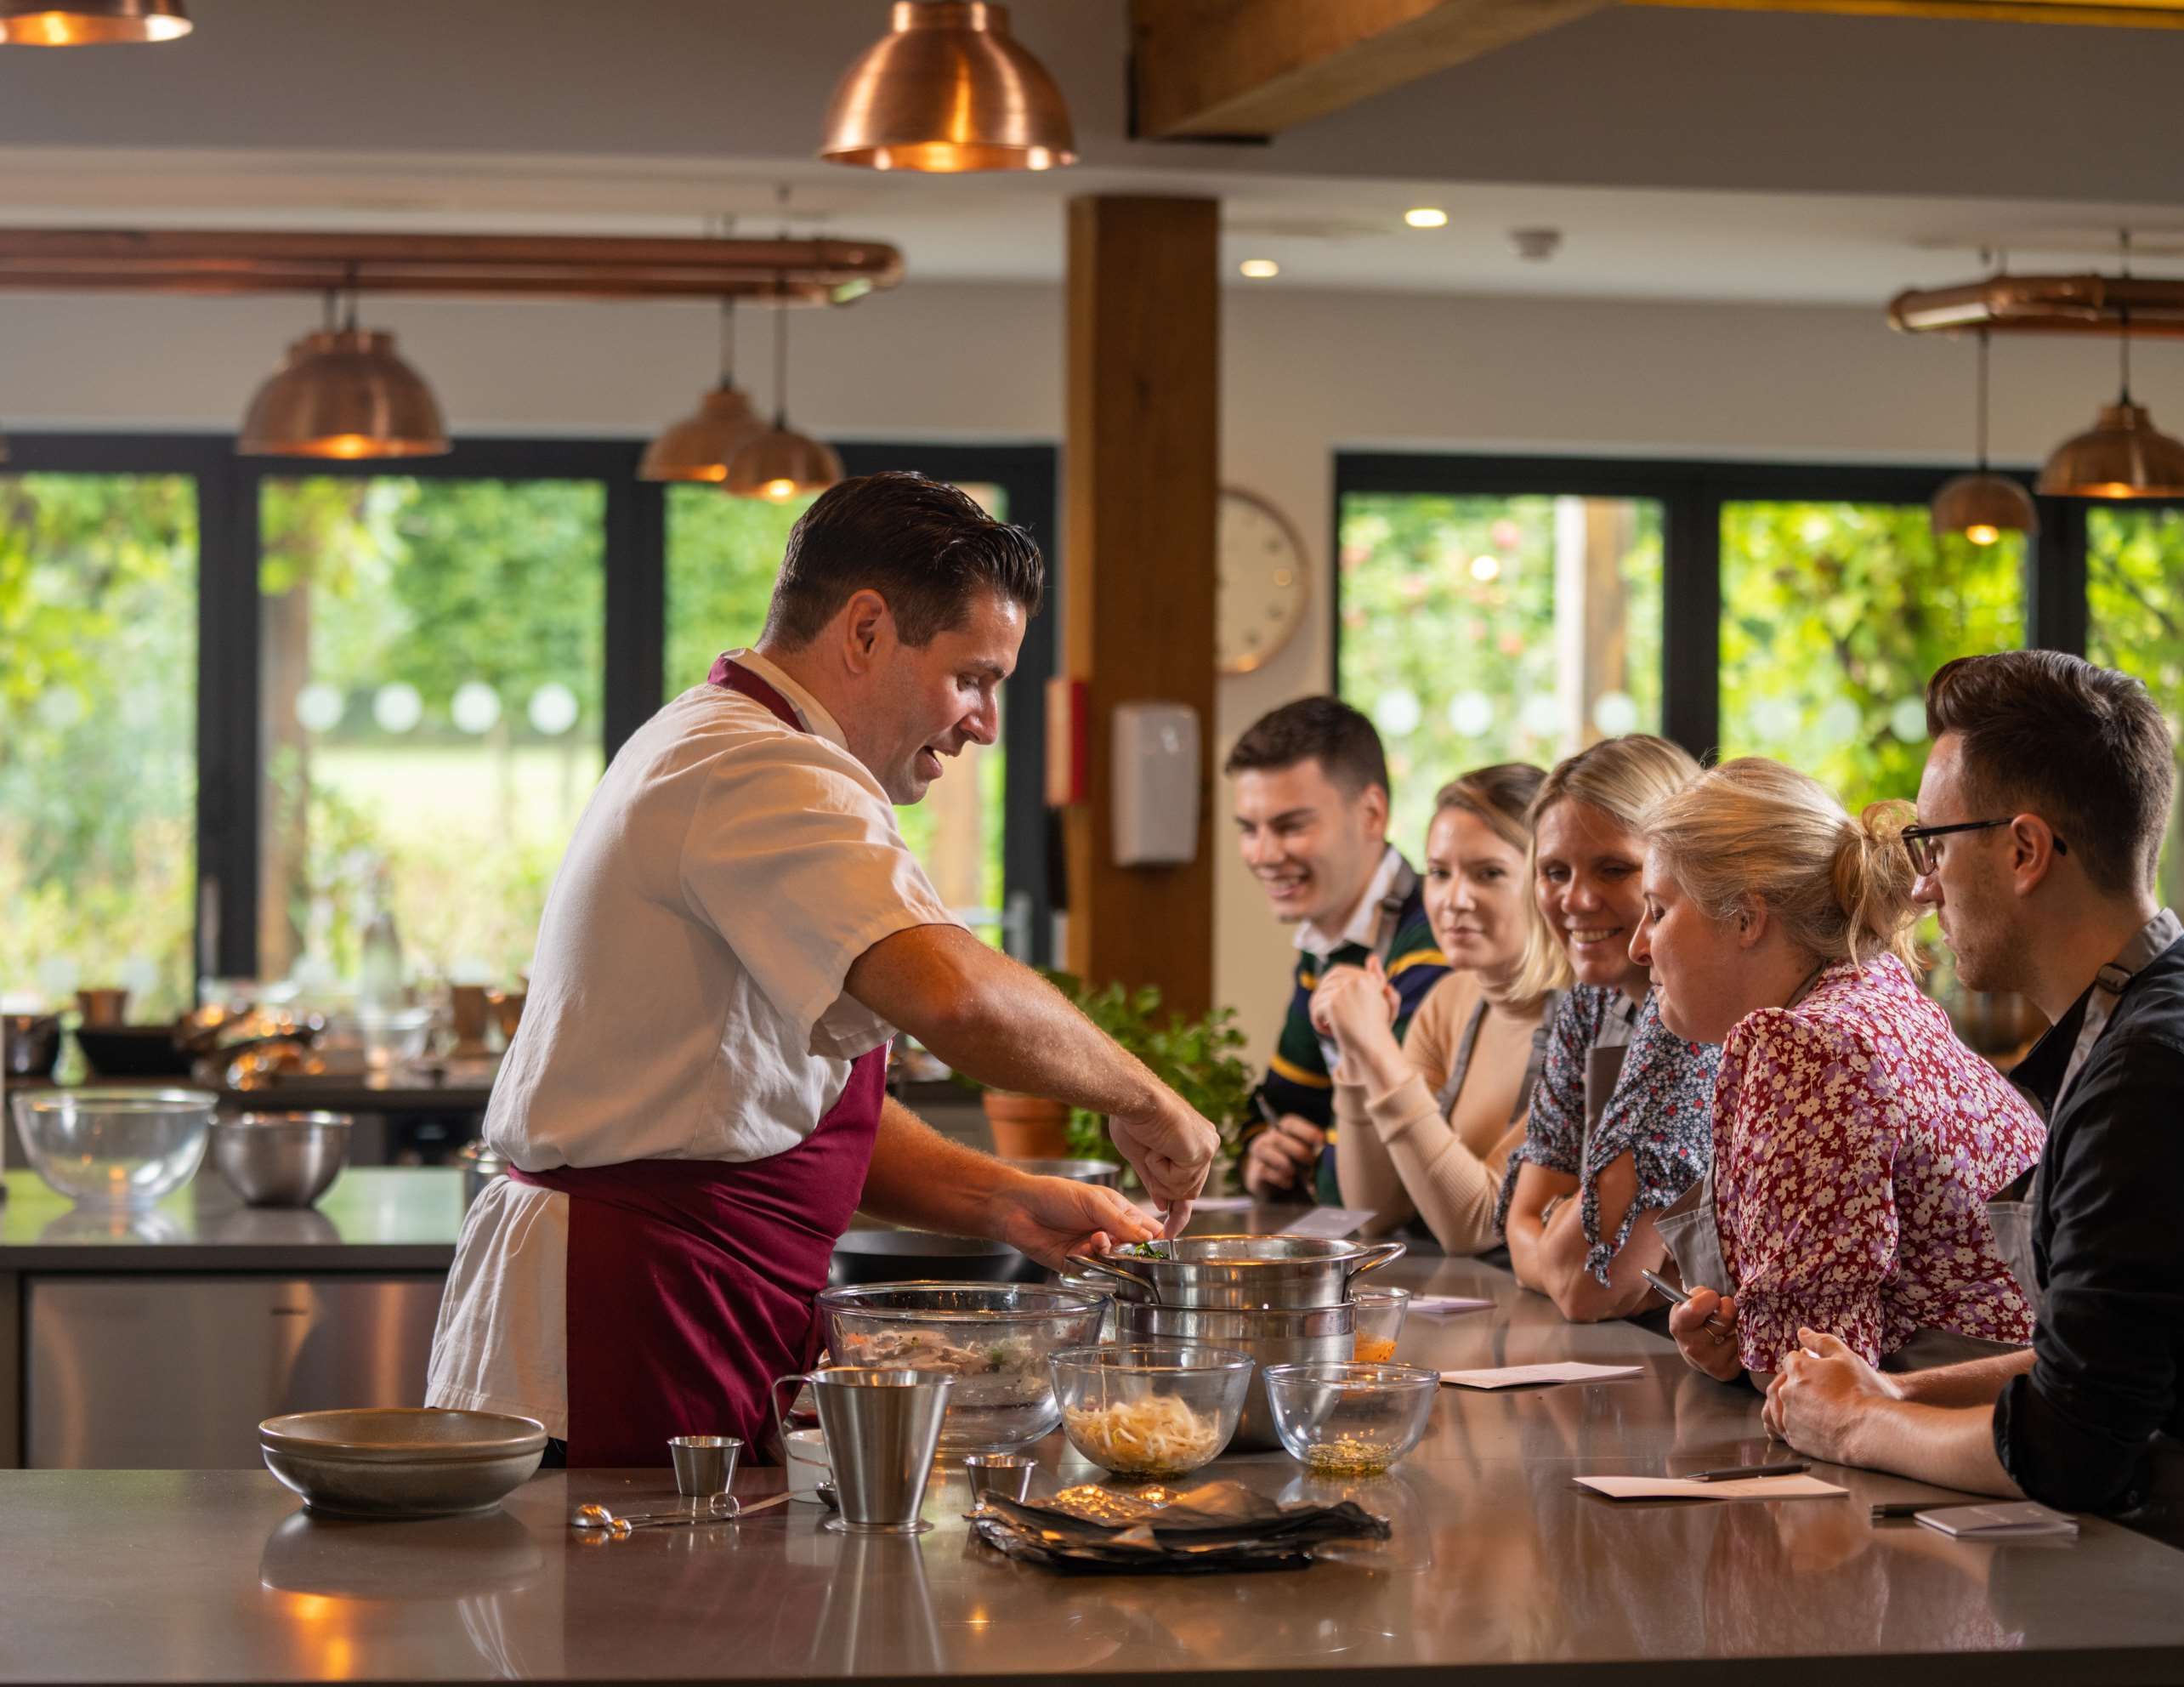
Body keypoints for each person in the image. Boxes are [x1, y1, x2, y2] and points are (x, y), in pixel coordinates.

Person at [423, 474, 1217, 1467]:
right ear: (868, 630)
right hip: (633, 1313)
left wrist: (1005, 1201)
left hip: (680, 1298)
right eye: (973, 677)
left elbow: (768, 1101)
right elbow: (953, 993)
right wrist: (1146, 1097)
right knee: (636, 1613)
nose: (984, 724)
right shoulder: (759, 767)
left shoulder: (734, 749)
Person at [1761, 650, 2184, 1605]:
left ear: (2025, 849)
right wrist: (1895, 1395)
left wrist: (1851, 1425)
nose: (1923, 888)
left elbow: (2071, 1449)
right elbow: (2106, 1361)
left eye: (1934, 844)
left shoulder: (2160, 1073)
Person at [1633, 757, 2042, 1387]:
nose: (1639, 946)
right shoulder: (1875, 992)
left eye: (1658, 911)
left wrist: (1760, 1352)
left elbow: (1811, 1378)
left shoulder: (1807, 1047)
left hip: (1959, 1438)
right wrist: (1739, 1339)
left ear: (1746, 918)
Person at [1496, 735, 1716, 1321]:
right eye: (1554, 871)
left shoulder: (1701, 1016)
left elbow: (1590, 1288)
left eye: (1614, 869)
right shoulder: (1588, 1004)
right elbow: (1521, 1225)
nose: (1577, 899)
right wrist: (1569, 1248)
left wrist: (1566, 1234)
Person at [1319, 764, 1570, 1254]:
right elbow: (1377, 1210)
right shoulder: (1450, 999)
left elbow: (1478, 1225)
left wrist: (1380, 1049)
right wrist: (1357, 1055)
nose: (1454, 899)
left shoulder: (1588, 1021)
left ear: (1548, 881)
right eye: (1438, 873)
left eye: (1489, 874)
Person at [1228, 697, 1450, 1204]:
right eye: (1249, 828)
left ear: (1372, 814)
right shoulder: (1326, 942)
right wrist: (1266, 1151)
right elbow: (1281, 1107)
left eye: (1290, 826)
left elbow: (1373, 1175)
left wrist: (1318, 1157)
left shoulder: (1434, 942)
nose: (1262, 854)